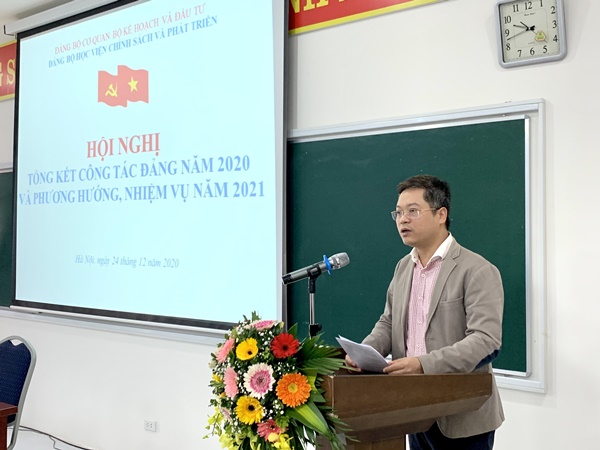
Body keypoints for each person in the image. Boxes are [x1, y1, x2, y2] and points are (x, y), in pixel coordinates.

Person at [346, 174, 504, 450]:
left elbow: (485, 341)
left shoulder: (477, 270)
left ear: (441, 214)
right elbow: (389, 322)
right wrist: (366, 351)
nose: (403, 220)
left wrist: (423, 364)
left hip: (463, 415)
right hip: (412, 410)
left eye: (413, 211)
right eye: (398, 213)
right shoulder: (403, 267)